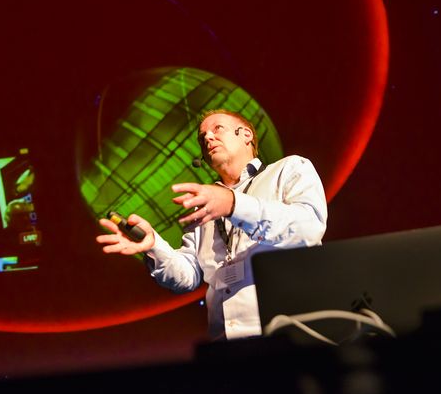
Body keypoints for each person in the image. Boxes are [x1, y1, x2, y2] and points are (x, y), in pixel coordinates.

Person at [96, 109, 327, 340]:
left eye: (218, 129)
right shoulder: (204, 205)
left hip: (290, 338)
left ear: (246, 134)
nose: (207, 138)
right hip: (225, 348)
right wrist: (153, 245)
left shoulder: (289, 169)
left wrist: (233, 205)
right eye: (202, 137)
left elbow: (309, 227)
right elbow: (187, 277)